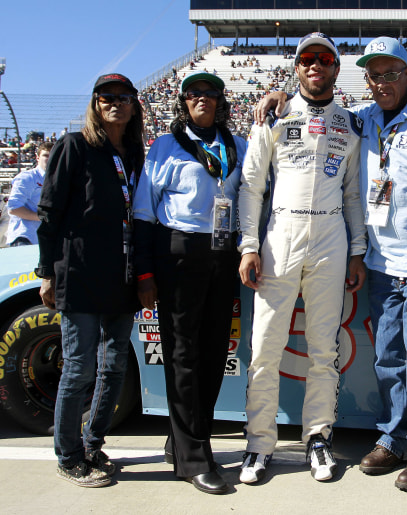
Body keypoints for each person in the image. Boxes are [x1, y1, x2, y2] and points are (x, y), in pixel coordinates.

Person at [255, 36, 407, 494]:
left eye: (391, 73)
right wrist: (281, 93)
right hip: (380, 260)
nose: (382, 82)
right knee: (389, 358)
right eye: (374, 75)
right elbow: (314, 107)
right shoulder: (362, 120)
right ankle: (395, 437)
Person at [237, 32, 366, 485]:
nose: (316, 65)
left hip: (331, 234)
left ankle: (318, 438)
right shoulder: (272, 115)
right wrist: (249, 245)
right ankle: (258, 444)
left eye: (325, 58)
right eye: (307, 58)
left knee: (323, 351)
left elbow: (353, 195)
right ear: (296, 68)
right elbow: (251, 187)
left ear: (336, 67)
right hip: (281, 234)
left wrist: (357, 251)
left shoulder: (352, 125)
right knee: (265, 349)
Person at [132, 72, 246, 495]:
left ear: (219, 101)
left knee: (215, 352)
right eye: (194, 93)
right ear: (184, 101)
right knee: (183, 355)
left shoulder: (237, 146)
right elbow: (144, 212)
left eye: (210, 93)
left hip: (223, 255)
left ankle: (183, 437)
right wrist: (145, 272)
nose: (202, 98)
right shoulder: (165, 145)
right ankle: (194, 458)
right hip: (178, 256)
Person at [35, 73, 145, 487]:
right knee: (79, 367)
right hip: (79, 273)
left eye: (123, 97)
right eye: (106, 97)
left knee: (114, 366)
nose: (115, 103)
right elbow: (49, 213)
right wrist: (47, 272)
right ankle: (67, 455)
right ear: (96, 104)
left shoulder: (134, 152)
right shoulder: (74, 146)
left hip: (122, 275)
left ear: (134, 104)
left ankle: (92, 442)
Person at [6, 142, 53, 246]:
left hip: (46, 239)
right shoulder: (27, 178)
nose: (49, 159)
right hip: (25, 238)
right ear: (37, 157)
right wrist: (44, 217)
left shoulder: (57, 181)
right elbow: (14, 208)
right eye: (46, 155)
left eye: (53, 155)